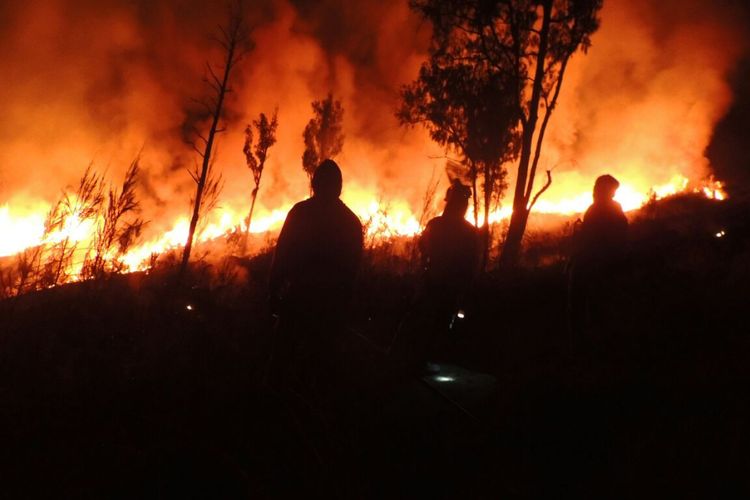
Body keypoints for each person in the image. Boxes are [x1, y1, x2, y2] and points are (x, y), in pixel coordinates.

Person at [267, 159, 364, 389]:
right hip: (331, 306)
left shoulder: (300, 213)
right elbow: (354, 270)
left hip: (299, 299)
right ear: (339, 187)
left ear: (315, 183)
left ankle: (273, 403)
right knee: (321, 367)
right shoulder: (351, 222)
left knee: (282, 361)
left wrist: (273, 291)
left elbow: (282, 255)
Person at [399, 179, 479, 371]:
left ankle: (415, 360)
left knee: (424, 324)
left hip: (432, 284)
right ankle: (430, 361)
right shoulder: (470, 232)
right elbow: (472, 263)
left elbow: (422, 248)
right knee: (440, 326)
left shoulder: (435, 224)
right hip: (452, 287)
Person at [567, 174, 629, 336]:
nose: (614, 194)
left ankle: (583, 340)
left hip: (588, 262)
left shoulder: (592, 210)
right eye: (613, 190)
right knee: (600, 305)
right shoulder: (612, 208)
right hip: (602, 263)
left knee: (584, 305)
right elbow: (622, 231)